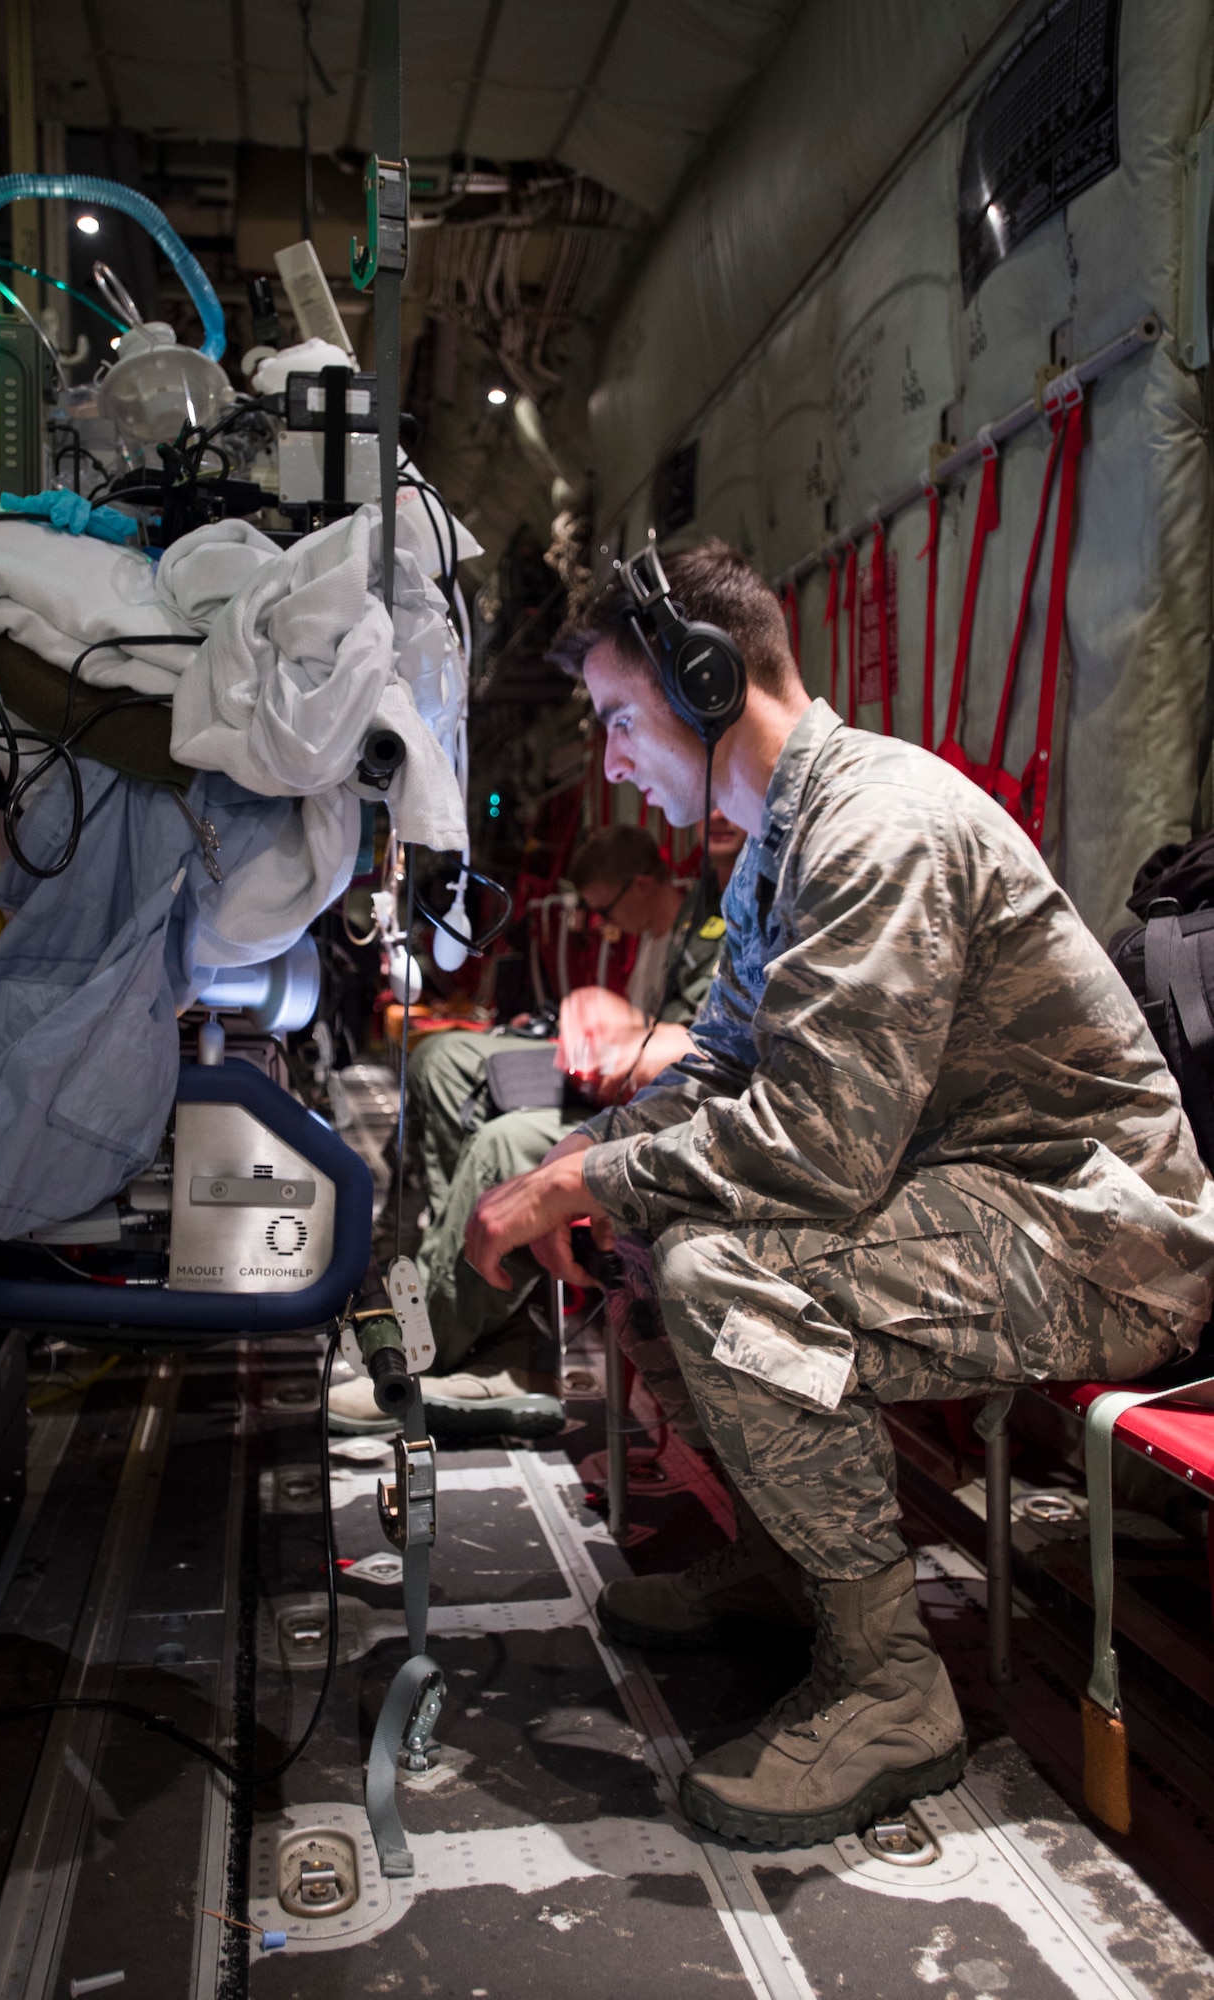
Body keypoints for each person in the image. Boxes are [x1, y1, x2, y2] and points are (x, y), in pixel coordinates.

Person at [464, 539, 1214, 1847]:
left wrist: (582, 1181)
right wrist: (570, 1179)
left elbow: (813, 1147)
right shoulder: (780, 846)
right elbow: (714, 1083)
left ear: (703, 682)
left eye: (617, 719)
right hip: (981, 1205)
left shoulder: (876, 826)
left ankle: (889, 1691)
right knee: (660, 1236)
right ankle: (791, 1569)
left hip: (1099, 1237)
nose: (611, 760)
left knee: (724, 1271)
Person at [328, 816, 743, 1436]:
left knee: (507, 1143)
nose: (603, 926)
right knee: (441, 1062)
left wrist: (630, 1037)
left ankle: (418, 1356)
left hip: (679, 1102)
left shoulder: (751, 911)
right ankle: (464, 1301)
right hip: (632, 1079)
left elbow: (713, 1056)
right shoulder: (704, 910)